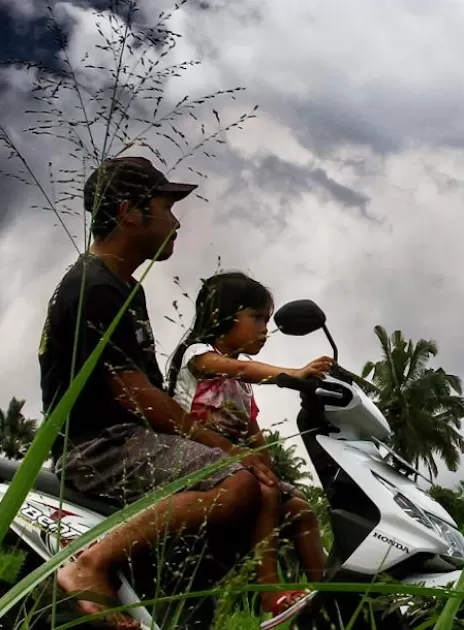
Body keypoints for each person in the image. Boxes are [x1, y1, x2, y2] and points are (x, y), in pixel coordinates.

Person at [38, 156, 280, 629]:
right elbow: (137, 396)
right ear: (130, 212)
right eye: (166, 208)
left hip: (130, 441)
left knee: (271, 499)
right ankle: (88, 564)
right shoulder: (94, 286)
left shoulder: (124, 287)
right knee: (237, 482)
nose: (176, 222)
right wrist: (225, 447)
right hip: (99, 447)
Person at [164, 270, 332, 611]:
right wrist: (292, 374)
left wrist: (268, 464)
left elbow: (252, 429)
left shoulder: (242, 384)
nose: (264, 330)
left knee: (300, 509)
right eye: (257, 318)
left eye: (267, 321)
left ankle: (331, 601)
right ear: (223, 315)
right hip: (193, 457)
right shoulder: (199, 354)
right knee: (265, 491)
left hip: (234, 463)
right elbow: (239, 369)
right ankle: (270, 591)